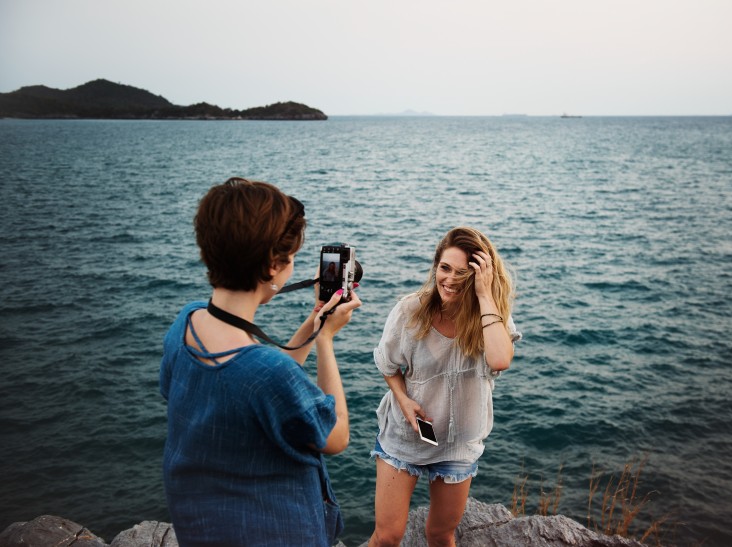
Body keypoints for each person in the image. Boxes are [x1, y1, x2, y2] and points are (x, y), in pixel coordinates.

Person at [160, 177, 361, 546]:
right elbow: (335, 437)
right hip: (275, 533)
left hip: (202, 528)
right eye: (293, 256)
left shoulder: (185, 325)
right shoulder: (266, 372)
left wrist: (314, 322)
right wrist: (326, 341)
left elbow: (258, 379)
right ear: (273, 265)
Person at [369, 226, 522, 547]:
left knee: (440, 535)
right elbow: (387, 365)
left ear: (480, 275)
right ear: (435, 266)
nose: (450, 279)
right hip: (406, 436)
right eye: (444, 268)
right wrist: (403, 399)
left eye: (463, 273)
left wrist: (484, 295)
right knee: (387, 536)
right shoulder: (410, 311)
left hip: (457, 444)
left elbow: (499, 359)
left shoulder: (490, 317)